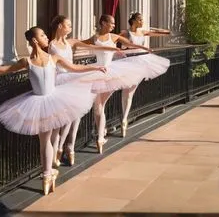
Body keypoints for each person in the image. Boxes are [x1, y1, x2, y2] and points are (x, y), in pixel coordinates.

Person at [0, 26, 106, 196]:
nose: (46, 37)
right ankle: (48, 173)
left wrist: (95, 68)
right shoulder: (27, 61)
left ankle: (47, 174)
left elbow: (74, 67)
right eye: (43, 35)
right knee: (47, 140)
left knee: (47, 140)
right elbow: (0, 70)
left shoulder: (51, 58)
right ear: (35, 40)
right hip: (41, 104)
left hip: (53, 100)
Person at [48, 14, 130, 167]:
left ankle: (69, 148)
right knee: (66, 118)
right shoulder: (51, 45)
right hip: (61, 81)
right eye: (68, 25)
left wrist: (114, 49)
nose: (71, 28)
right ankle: (59, 149)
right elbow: (62, 66)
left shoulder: (71, 42)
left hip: (73, 79)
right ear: (60, 26)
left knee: (76, 114)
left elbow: (94, 47)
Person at [86, 14, 170, 153]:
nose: (113, 25)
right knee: (100, 104)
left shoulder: (117, 35)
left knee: (110, 101)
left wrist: (146, 47)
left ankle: (114, 125)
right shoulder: (118, 34)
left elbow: (135, 41)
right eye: (111, 23)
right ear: (103, 23)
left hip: (122, 67)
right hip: (108, 68)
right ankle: (102, 134)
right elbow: (83, 43)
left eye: (114, 23)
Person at [119, 12, 170, 137]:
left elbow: (166, 33)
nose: (142, 22)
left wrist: (158, 29)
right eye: (140, 19)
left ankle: (124, 119)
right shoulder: (125, 32)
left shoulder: (142, 32)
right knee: (126, 91)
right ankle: (123, 119)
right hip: (128, 61)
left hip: (139, 62)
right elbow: (116, 41)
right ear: (134, 20)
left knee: (130, 92)